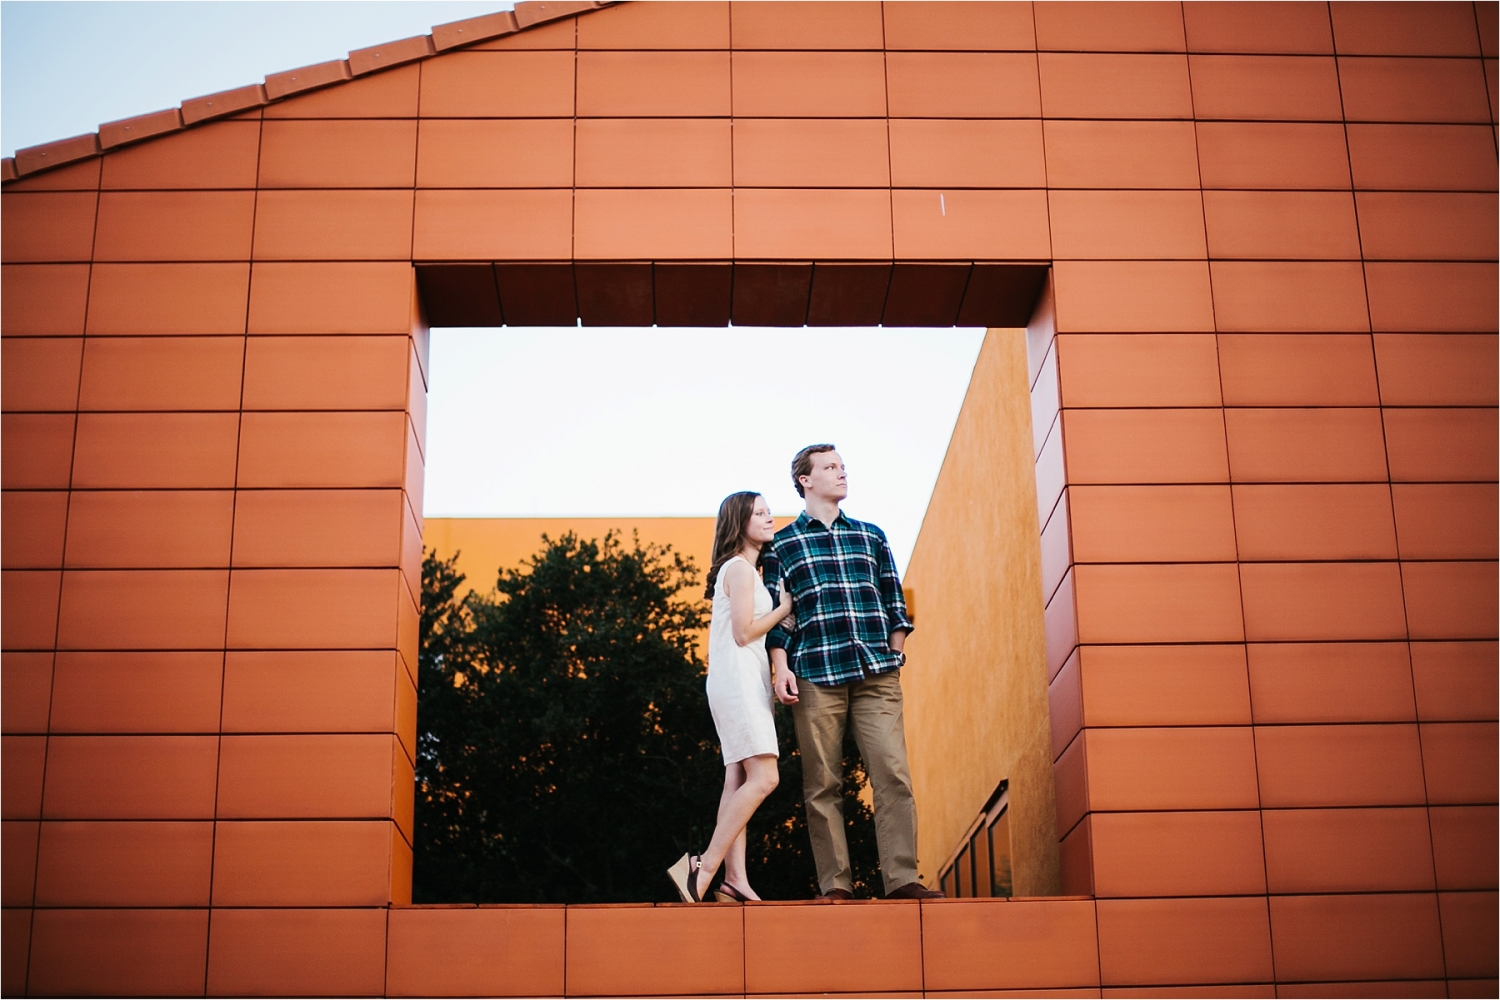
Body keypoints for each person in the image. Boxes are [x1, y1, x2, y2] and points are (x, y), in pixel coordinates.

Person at [765, 444, 943, 900]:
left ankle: (902, 879)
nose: (842, 473)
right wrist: (779, 668)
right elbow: (779, 618)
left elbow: (894, 602)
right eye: (830, 467)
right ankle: (836, 886)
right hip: (815, 674)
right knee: (822, 784)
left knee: (893, 774)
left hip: (876, 675)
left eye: (842, 466)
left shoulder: (871, 535)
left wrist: (896, 652)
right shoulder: (782, 545)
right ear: (805, 480)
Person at [668, 491, 792, 903]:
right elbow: (743, 632)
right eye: (760, 513)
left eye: (769, 511)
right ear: (740, 523)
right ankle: (700, 869)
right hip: (737, 681)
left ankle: (735, 880)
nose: (769, 517)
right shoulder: (738, 569)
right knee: (765, 777)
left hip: (740, 679)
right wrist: (784, 608)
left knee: (737, 778)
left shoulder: (743, 570)